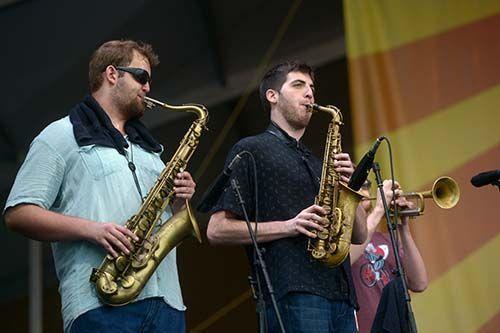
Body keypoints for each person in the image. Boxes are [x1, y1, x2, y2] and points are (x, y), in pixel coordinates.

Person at [3, 40, 196, 333]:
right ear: (111, 74)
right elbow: (18, 214)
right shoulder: (59, 136)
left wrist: (181, 201)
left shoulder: (150, 151)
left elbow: (165, 218)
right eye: (141, 77)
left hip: (168, 305)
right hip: (100, 306)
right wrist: (93, 230)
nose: (147, 88)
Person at [206, 61, 367, 333]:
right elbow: (216, 230)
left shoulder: (319, 164)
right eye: (298, 85)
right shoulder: (250, 149)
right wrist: (289, 226)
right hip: (293, 291)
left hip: (341, 295)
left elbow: (359, 236)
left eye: (312, 88)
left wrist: (350, 186)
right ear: (272, 96)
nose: (310, 94)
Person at [351, 180, 428, 332]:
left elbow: (419, 283)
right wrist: (379, 209)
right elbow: (347, 260)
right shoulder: (341, 242)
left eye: (366, 185)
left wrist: (403, 226)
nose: (364, 190)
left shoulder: (385, 239)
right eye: (356, 184)